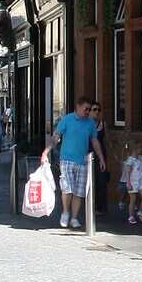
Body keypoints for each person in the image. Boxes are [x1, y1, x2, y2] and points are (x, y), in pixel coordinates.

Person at [47, 97, 105, 229]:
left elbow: (95, 141)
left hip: (83, 161)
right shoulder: (67, 120)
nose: (88, 111)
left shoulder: (90, 123)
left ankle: (74, 218)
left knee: (79, 192)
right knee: (67, 188)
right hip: (67, 159)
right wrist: (46, 152)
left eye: (89, 109)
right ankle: (65, 212)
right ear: (78, 106)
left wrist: (101, 158)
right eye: (86, 108)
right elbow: (56, 137)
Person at [120, 142, 142, 226]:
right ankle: (131, 217)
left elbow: (140, 170)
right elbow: (127, 172)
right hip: (133, 182)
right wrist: (128, 183)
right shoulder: (130, 160)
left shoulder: (140, 158)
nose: (141, 150)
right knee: (133, 200)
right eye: (139, 148)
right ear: (135, 150)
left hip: (141, 181)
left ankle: (140, 212)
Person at [91, 107, 110, 217]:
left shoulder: (102, 124)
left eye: (98, 110)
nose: (97, 112)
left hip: (101, 155)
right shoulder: (86, 124)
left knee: (101, 181)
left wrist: (115, 155)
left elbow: (107, 140)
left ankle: (100, 207)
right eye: (94, 109)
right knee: (90, 182)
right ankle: (90, 205)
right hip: (88, 154)